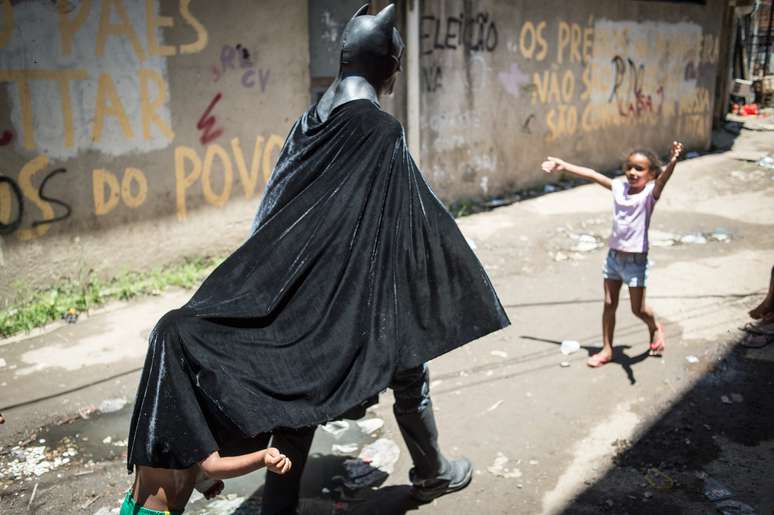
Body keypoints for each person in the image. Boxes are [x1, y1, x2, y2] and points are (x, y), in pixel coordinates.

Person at [126, 3, 508, 515]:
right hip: (353, 287)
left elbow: (273, 207)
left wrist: (263, 288)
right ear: (388, 68)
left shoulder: (307, 123)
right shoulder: (380, 132)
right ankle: (433, 474)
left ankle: (280, 508)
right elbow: (407, 215)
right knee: (406, 366)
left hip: (295, 286)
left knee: (297, 390)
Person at [542, 141, 684, 367]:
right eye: (629, 167)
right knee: (609, 303)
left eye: (639, 169)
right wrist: (563, 165)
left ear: (652, 174)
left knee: (638, 309)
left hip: (636, 260)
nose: (632, 172)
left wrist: (673, 161)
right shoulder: (619, 188)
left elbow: (664, 179)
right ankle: (606, 349)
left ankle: (654, 326)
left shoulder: (649, 195)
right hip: (614, 258)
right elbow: (592, 174)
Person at [121, 447, 291, 514]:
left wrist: (203, 481)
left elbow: (182, 460)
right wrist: (262, 458)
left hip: (145, 507)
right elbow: (214, 466)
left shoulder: (158, 407)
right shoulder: (187, 411)